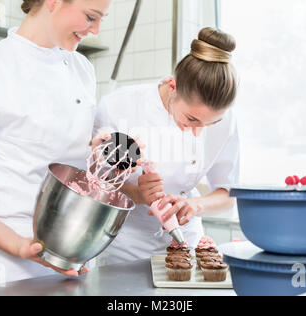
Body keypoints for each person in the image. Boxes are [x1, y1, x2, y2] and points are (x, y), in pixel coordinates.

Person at [0, 0, 111, 288]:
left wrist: (100, 152)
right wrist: (16, 244)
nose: (97, 30)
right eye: (90, 17)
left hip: (73, 258)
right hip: (7, 266)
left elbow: (65, 160)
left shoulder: (82, 69)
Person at [93, 27, 240, 266]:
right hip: (124, 249)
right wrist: (138, 195)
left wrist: (194, 205)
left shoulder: (228, 122)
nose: (198, 131)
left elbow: (228, 194)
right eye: (192, 119)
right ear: (172, 87)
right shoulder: (120, 108)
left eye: (212, 123)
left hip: (187, 244)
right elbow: (97, 186)